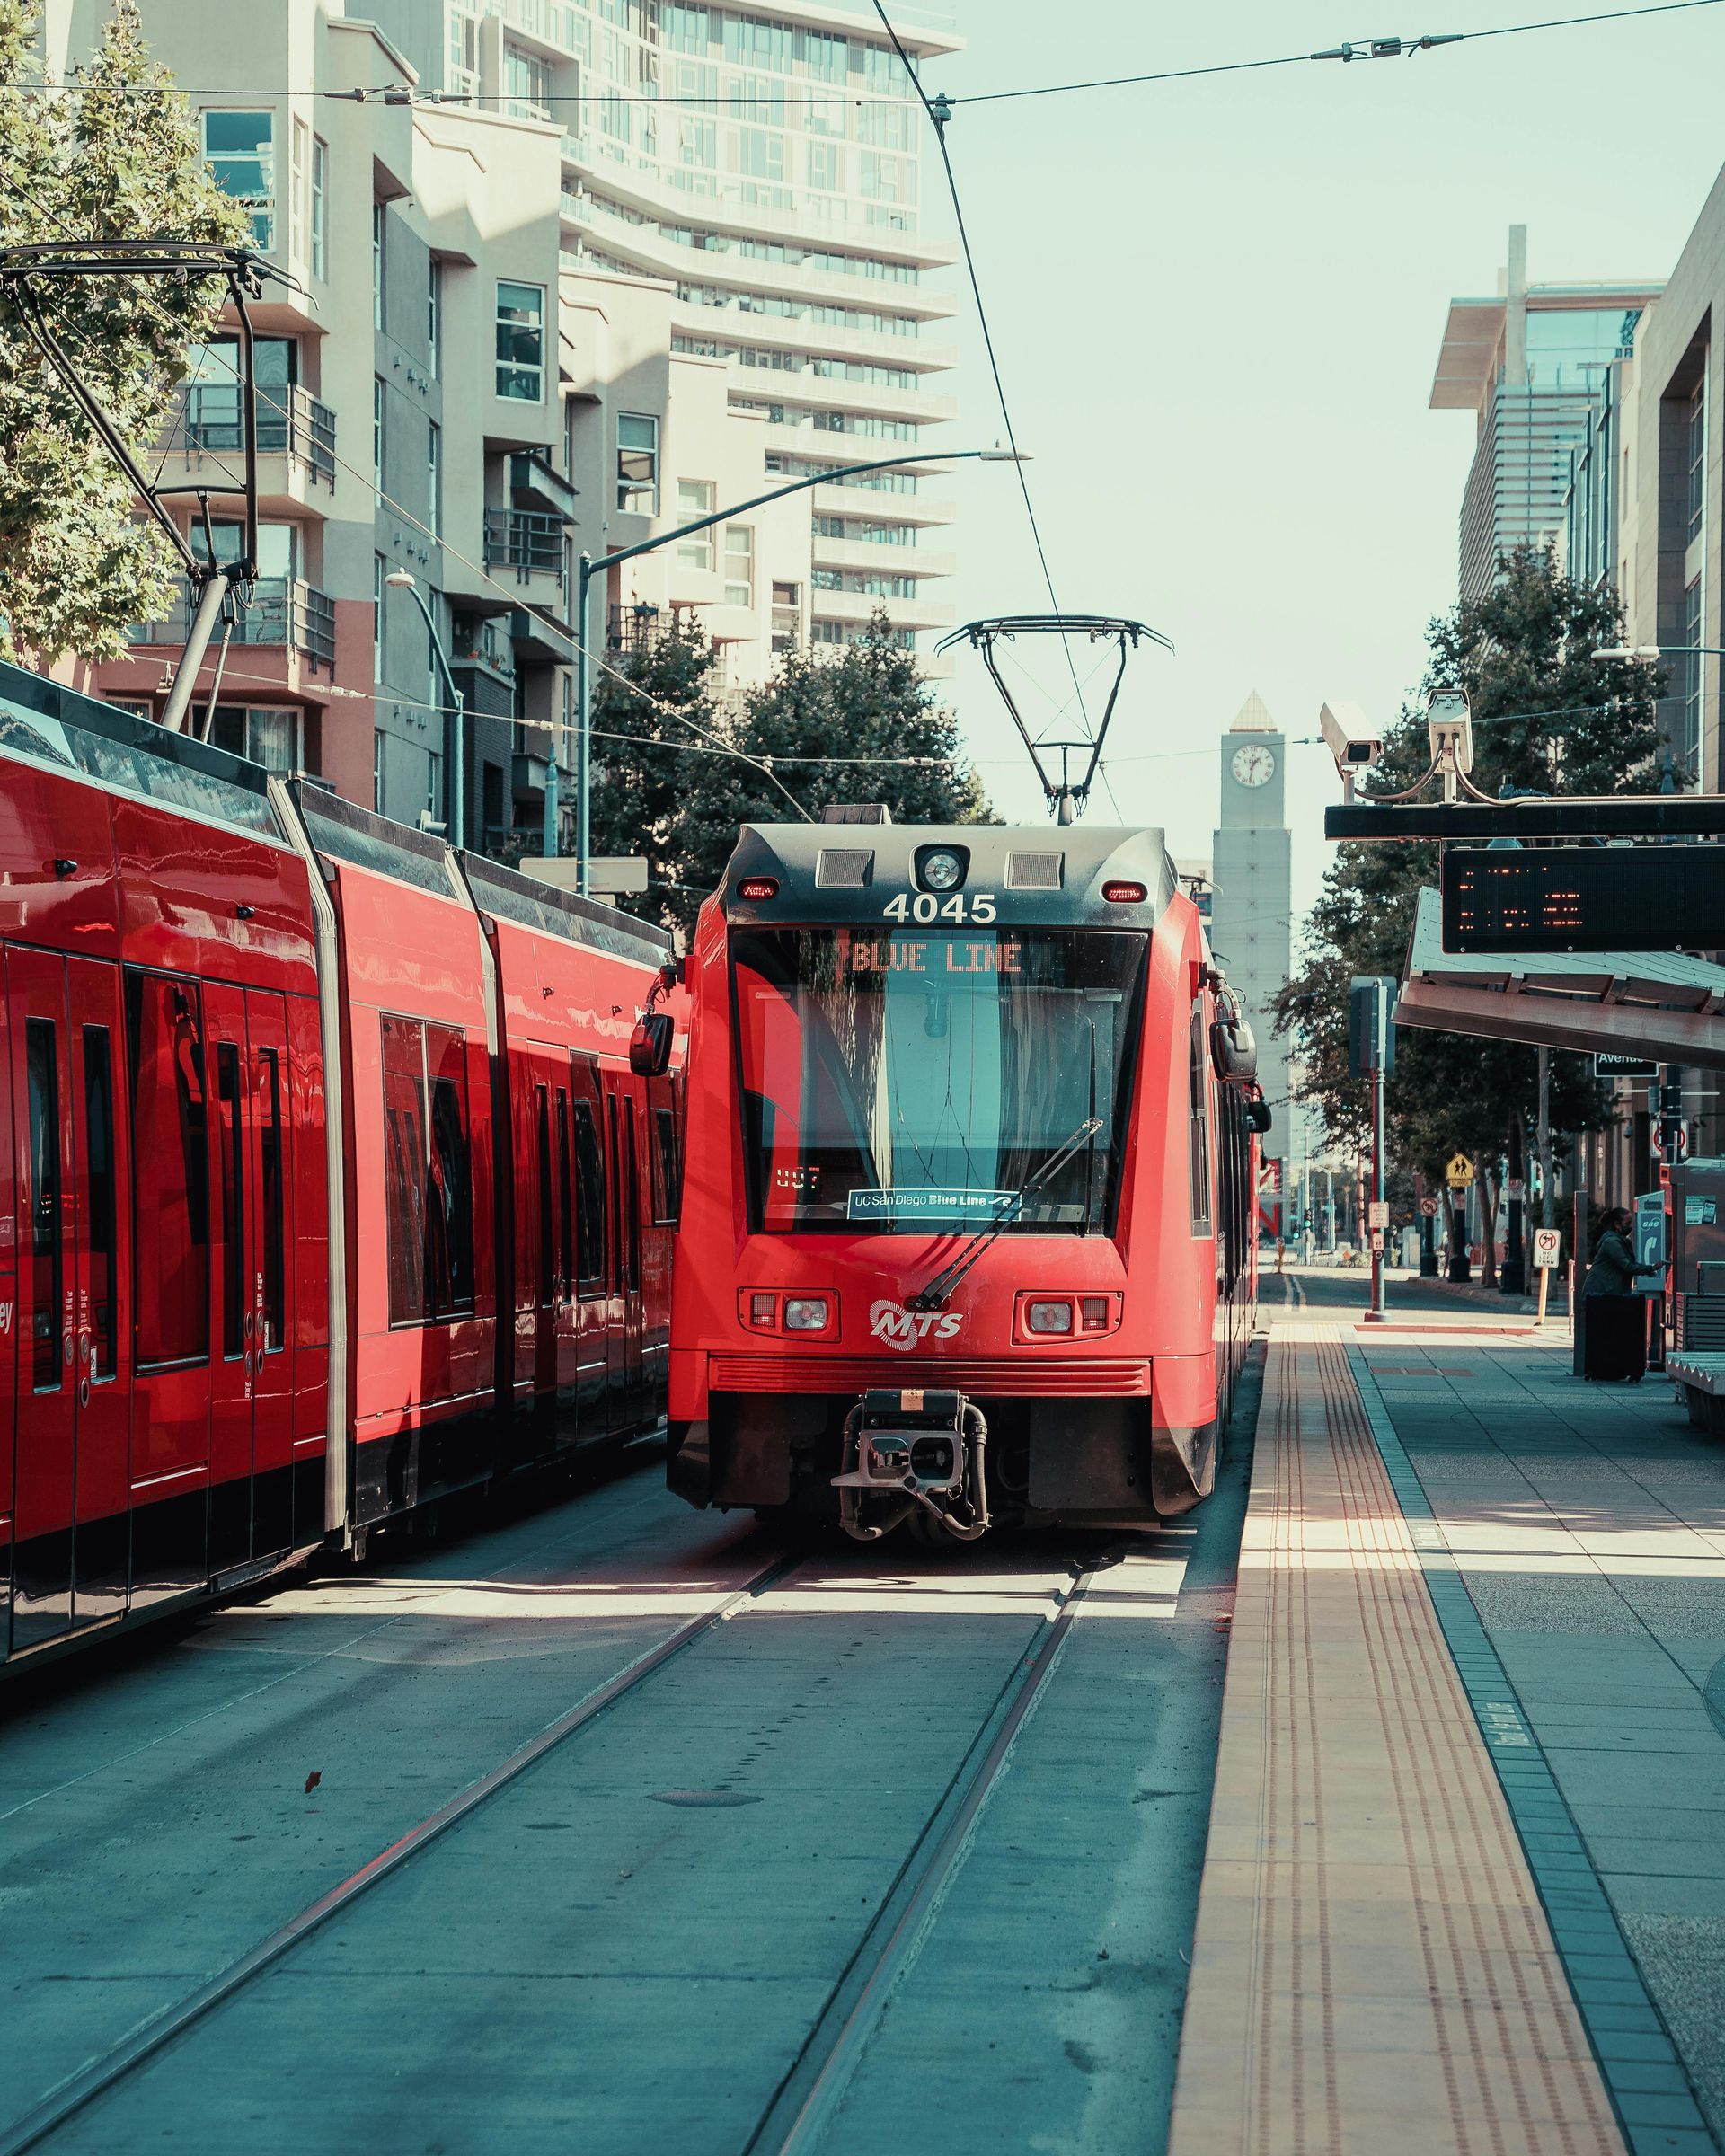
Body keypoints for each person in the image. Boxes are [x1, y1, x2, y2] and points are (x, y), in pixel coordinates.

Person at [1580, 1206, 1660, 1381]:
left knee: (1610, 1331)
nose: (1630, 1226)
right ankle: (1603, 1369)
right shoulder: (1612, 1243)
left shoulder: (1617, 1240)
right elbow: (1626, 1266)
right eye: (1628, 1223)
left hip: (1608, 1292)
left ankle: (1608, 1369)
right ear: (1617, 1225)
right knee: (1605, 1331)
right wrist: (1651, 1268)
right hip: (1601, 1293)